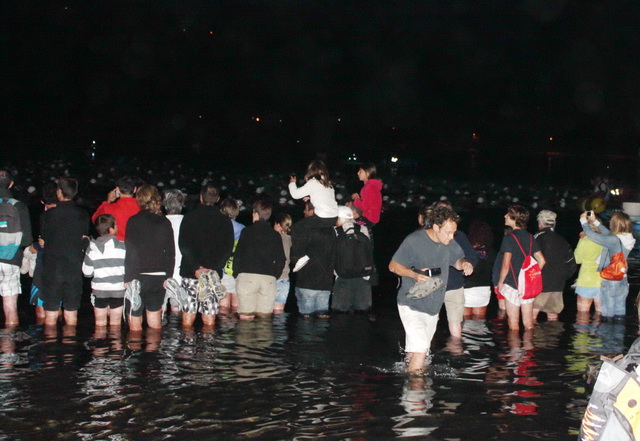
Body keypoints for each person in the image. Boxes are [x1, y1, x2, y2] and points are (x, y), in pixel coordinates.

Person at [389, 205, 473, 374]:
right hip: (411, 304)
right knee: (421, 350)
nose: (451, 237)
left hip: (433, 307)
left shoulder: (449, 242)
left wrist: (463, 263)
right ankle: (416, 394)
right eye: (448, 233)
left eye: (454, 233)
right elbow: (393, 266)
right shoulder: (414, 240)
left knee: (420, 352)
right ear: (436, 227)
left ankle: (411, 388)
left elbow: (457, 259)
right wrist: (413, 275)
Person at [178, 183, 234, 328]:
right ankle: (208, 349)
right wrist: (212, 269)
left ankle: (187, 348)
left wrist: (196, 268)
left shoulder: (189, 217)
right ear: (218, 199)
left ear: (201, 197)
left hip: (191, 274)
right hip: (212, 277)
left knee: (187, 317)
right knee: (209, 319)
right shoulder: (225, 220)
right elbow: (227, 249)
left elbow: (184, 245)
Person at [124, 185, 175, 331]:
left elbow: (131, 252)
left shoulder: (133, 221)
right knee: (154, 323)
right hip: (158, 278)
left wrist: (128, 278)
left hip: (137, 277)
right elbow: (170, 253)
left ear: (139, 200)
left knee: (135, 323)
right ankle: (154, 353)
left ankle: (134, 352)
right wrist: (168, 276)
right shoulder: (164, 222)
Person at [40, 177, 90, 327]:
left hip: (52, 268)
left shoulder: (47, 215)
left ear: (59, 191)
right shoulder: (83, 215)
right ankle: (70, 347)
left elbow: (44, 241)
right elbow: (84, 239)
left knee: (51, 313)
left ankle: (50, 347)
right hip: (73, 268)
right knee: (71, 312)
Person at [233, 200, 286, 320]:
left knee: (246, 319)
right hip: (268, 279)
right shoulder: (275, 235)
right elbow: (281, 259)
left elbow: (238, 255)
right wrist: (274, 275)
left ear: (255, 214)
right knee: (264, 321)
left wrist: (236, 273)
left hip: (247, 277)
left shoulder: (246, 231)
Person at [497, 205, 546, 331]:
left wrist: (500, 283)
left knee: (513, 326)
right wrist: (532, 275)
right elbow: (542, 260)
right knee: (529, 324)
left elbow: (505, 264)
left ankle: (515, 350)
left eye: (507, 214)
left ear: (514, 218)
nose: (504, 216)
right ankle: (529, 350)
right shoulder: (530, 237)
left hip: (512, 284)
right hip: (527, 286)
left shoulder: (509, 237)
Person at [580, 211, 635, 321]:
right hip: (622, 279)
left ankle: (607, 336)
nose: (609, 221)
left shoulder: (614, 240)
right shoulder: (628, 237)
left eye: (611, 220)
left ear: (615, 223)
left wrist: (583, 221)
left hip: (611, 280)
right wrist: (595, 222)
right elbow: (608, 234)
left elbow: (592, 236)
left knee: (607, 316)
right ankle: (618, 336)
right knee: (619, 313)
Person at [433, 201, 477, 339]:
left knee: (455, 325)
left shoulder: (458, 236)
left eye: (447, 212)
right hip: (431, 287)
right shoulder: (425, 235)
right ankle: (426, 354)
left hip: (454, 284)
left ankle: (456, 356)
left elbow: (471, 257)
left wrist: (466, 266)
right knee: (429, 322)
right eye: (441, 212)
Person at [290, 200, 337, 318]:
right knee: (322, 321)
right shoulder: (330, 228)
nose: (303, 211)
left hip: (306, 281)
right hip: (325, 282)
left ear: (312, 210)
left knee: (306, 320)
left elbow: (296, 254)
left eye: (306, 209)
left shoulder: (300, 226)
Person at [0, 169, 33, 327]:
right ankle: (9, 350)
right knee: (10, 308)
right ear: (11, 184)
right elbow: (27, 239)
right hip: (11, 259)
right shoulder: (19, 206)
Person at [82, 214, 126, 328]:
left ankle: (100, 345)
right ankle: (117, 345)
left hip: (100, 290)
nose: (117, 227)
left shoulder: (91, 248)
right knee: (115, 325)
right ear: (111, 229)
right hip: (118, 290)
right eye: (116, 225)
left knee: (100, 324)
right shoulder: (123, 246)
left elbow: (87, 272)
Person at [533, 210, 576, 322]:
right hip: (558, 284)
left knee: (532, 315)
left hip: (540, 283)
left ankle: (529, 339)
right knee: (553, 317)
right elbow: (572, 264)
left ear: (540, 223)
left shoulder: (537, 237)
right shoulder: (563, 241)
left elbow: (529, 260)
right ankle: (552, 338)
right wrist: (562, 276)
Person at [332, 206, 373, 313]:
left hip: (342, 277)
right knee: (362, 314)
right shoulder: (363, 228)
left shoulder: (335, 231)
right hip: (363, 276)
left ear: (340, 217)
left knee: (340, 314)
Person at [28, 182, 58, 324]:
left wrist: (35, 246)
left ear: (42, 201)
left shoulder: (43, 217)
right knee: (57, 305)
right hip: (60, 267)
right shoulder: (67, 216)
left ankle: (42, 339)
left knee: (40, 309)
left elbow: (44, 243)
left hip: (42, 267)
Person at [289, 160, 338, 226]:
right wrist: (311, 197)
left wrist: (292, 183)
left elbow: (295, 194)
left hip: (323, 217)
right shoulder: (328, 183)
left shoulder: (313, 182)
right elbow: (326, 196)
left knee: (298, 227)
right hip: (334, 216)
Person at [464, 220, 496, 320]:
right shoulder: (492, 252)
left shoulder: (467, 251)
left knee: (465, 322)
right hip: (484, 289)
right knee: (479, 323)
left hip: (467, 289)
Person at [91, 175, 140, 241]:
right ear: (135, 189)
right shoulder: (143, 208)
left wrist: (107, 201)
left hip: (117, 248)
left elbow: (95, 220)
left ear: (117, 189)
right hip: (138, 247)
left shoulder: (109, 208)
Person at [219, 198, 245, 315]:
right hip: (237, 271)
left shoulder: (217, 228)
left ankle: (224, 332)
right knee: (236, 308)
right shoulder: (243, 229)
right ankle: (233, 331)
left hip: (222, 271)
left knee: (223, 309)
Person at [163, 189, 185, 314]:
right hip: (182, 276)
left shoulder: (158, 222)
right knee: (177, 312)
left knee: (159, 313)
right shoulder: (187, 222)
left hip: (163, 276)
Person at [574, 224, 604, 316]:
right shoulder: (606, 241)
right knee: (600, 314)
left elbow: (577, 259)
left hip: (586, 281)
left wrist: (581, 239)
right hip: (602, 281)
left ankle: (583, 330)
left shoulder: (585, 241)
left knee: (583, 316)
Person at [351, 163, 383, 230]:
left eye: (360, 171)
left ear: (367, 174)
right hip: (370, 219)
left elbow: (365, 207)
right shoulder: (371, 186)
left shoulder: (369, 187)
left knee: (348, 222)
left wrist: (356, 199)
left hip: (367, 221)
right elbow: (369, 203)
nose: (358, 173)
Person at [273, 213, 292, 314]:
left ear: (278, 225)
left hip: (273, 277)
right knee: (279, 314)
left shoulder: (275, 239)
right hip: (285, 278)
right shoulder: (290, 239)